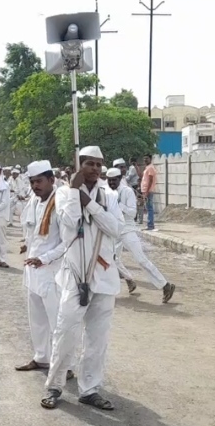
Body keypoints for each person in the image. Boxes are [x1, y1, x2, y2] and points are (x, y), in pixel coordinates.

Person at [41, 145, 123, 411]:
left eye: (99, 165)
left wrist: (92, 205)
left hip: (104, 276)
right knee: (65, 333)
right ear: (78, 165)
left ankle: (90, 389)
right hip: (76, 275)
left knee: (98, 339)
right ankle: (54, 386)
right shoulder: (64, 193)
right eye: (90, 164)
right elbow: (69, 222)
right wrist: (77, 194)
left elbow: (116, 228)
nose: (96, 170)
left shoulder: (109, 195)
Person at [16, 160, 73, 373]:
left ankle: (64, 365)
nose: (35, 186)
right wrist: (27, 245)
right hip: (33, 270)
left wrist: (45, 258)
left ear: (51, 180)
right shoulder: (35, 201)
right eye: (32, 182)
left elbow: (68, 241)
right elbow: (35, 232)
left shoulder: (61, 202)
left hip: (52, 271)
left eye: (39, 181)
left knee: (57, 321)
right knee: (37, 319)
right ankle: (41, 357)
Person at [108, 168, 176, 301]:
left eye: (114, 180)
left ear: (120, 178)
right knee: (111, 258)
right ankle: (129, 279)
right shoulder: (108, 193)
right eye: (109, 180)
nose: (111, 183)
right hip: (114, 231)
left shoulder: (127, 192)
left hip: (127, 230)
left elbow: (133, 213)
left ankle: (165, 285)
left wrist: (118, 205)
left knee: (141, 259)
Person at [141, 155, 159, 231]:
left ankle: (150, 225)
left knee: (149, 208)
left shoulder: (150, 168)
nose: (145, 160)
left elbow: (151, 180)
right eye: (144, 158)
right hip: (145, 190)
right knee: (148, 208)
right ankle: (149, 224)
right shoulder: (148, 167)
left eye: (147, 158)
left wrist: (147, 191)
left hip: (148, 191)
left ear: (150, 159)